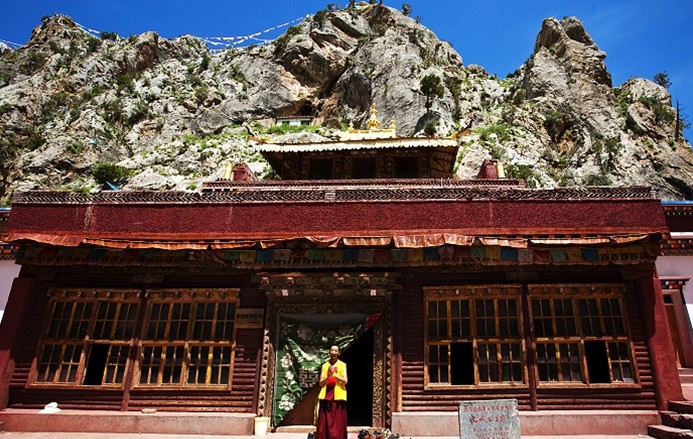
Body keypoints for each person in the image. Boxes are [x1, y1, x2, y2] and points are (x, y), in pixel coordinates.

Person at [315, 345, 348, 439]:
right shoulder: (325, 366)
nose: (333, 352)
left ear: (339, 353)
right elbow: (321, 383)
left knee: (338, 420)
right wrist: (329, 376)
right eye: (332, 350)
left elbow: (345, 381)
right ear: (329, 352)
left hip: (337, 394)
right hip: (327, 394)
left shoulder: (342, 365)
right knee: (325, 418)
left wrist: (335, 374)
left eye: (336, 351)